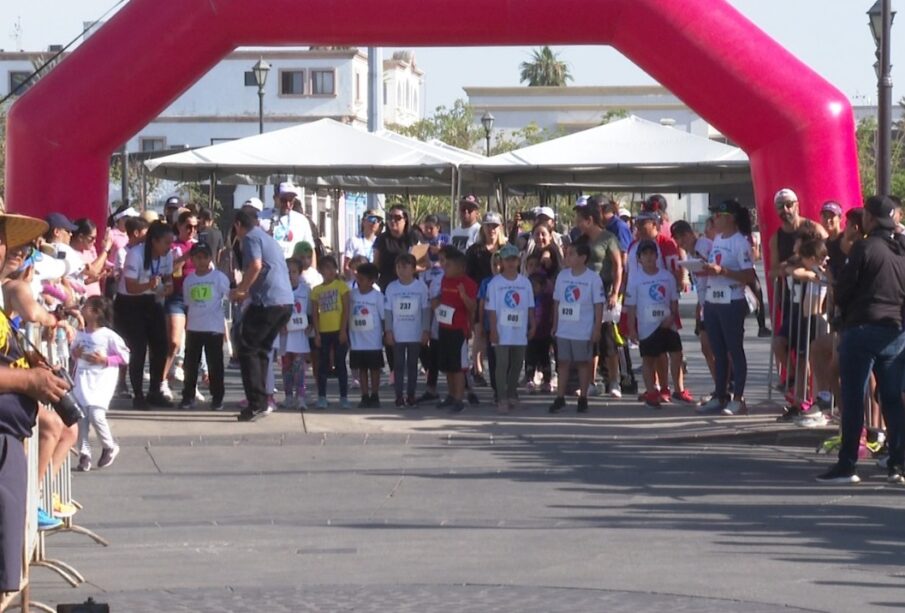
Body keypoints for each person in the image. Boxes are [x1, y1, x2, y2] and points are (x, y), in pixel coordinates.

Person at [0, 211, 74, 589]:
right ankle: (37, 498)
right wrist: (27, 379)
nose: (6, 250)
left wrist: (31, 365)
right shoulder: (15, 288)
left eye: (2, 239)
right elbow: (33, 312)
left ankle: (34, 498)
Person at [817, 196, 905, 484]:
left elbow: (844, 291)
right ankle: (897, 463)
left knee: (854, 397)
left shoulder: (865, 247)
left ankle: (848, 464)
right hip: (894, 330)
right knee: (892, 398)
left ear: (870, 218)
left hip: (862, 327)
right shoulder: (901, 249)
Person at [229, 208, 294, 421]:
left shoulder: (249, 238)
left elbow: (256, 265)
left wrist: (241, 290)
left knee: (247, 348)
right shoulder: (267, 238)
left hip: (269, 302)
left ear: (238, 225)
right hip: (284, 302)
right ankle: (264, 399)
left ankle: (255, 403)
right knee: (262, 349)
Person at [697, 199, 757, 416]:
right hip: (713, 300)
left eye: (718, 216)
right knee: (717, 351)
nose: (714, 220)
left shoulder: (740, 242)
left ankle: (739, 398)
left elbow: (749, 275)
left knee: (734, 349)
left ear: (730, 218)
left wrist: (723, 272)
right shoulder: (719, 238)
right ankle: (720, 394)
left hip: (732, 300)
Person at [625, 240, 690, 408]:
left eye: (652, 254)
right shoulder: (635, 280)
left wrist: (672, 317)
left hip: (667, 323)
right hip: (647, 326)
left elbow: (673, 301)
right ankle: (652, 392)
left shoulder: (666, 276)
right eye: (644, 254)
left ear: (657, 256)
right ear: (639, 259)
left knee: (676, 355)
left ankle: (679, 390)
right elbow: (631, 307)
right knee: (649, 360)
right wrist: (632, 329)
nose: (648, 257)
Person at [117, 221, 174, 408]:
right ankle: (138, 394)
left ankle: (155, 390)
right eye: (166, 243)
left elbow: (168, 278)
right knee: (138, 348)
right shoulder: (136, 254)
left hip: (152, 300)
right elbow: (131, 287)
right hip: (130, 304)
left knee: (161, 345)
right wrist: (149, 285)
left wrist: (167, 287)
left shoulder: (167, 256)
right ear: (154, 241)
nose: (169, 247)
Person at [71, 295, 128, 471]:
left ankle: (109, 446)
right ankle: (84, 454)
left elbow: (124, 357)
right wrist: (76, 353)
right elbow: (73, 353)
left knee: (96, 415)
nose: (82, 308)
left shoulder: (109, 336)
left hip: (101, 380)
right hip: (82, 379)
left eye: (86, 306)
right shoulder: (79, 333)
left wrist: (105, 359)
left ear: (96, 312)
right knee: (81, 418)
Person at [548, 242, 605, 414]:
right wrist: (555, 325)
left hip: (583, 329)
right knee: (563, 363)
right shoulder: (562, 276)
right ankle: (560, 397)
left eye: (572, 254)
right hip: (564, 329)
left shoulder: (593, 279)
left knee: (582, 363)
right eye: (567, 253)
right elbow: (557, 302)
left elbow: (598, 306)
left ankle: (583, 398)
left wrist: (596, 329)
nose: (568, 257)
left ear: (583, 258)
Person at [574, 202, 623, 398]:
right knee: (589, 339)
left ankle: (614, 381)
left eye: (579, 219)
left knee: (608, 338)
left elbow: (618, 266)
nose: (576, 223)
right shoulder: (581, 239)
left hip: (605, 291)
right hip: (585, 294)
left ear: (589, 220)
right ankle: (591, 382)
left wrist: (614, 293)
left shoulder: (608, 238)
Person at [486, 244, 536, 413]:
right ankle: (501, 397)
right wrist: (493, 330)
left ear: (518, 260)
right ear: (501, 261)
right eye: (507, 260)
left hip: (519, 330)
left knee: (517, 363)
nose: (511, 263)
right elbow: (491, 309)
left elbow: (530, 306)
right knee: (502, 363)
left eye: (513, 259)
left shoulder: (525, 282)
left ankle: (512, 393)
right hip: (502, 330)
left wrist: (533, 324)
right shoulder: (495, 283)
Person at [179, 242, 229, 411]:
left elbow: (228, 295)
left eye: (204, 257)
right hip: (194, 327)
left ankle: (217, 397)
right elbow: (187, 303)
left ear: (210, 258)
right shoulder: (189, 280)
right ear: (192, 259)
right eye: (197, 258)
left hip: (213, 327)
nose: (201, 261)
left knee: (215, 364)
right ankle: (188, 395)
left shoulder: (218, 277)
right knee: (190, 364)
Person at [671, 219, 716, 388]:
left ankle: (727, 384)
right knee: (706, 348)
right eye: (677, 238)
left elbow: (713, 266)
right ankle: (719, 385)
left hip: (717, 301)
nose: (681, 241)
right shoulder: (689, 254)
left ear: (690, 233)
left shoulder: (703, 245)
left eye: (683, 236)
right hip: (705, 303)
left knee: (717, 348)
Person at [433, 249, 477, 413]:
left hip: (459, 329)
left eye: (448, 265)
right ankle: (451, 395)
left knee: (458, 367)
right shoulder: (444, 280)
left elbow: (472, 307)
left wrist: (463, 295)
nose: (444, 267)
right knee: (448, 366)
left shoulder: (468, 283)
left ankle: (459, 398)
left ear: (460, 267)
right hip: (444, 327)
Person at [384, 254, 430, 407]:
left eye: (405, 266)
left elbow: (425, 310)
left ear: (413, 268)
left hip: (415, 333)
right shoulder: (391, 288)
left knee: (412, 365)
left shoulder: (421, 287)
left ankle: (411, 395)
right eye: (398, 267)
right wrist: (388, 331)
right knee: (398, 366)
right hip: (398, 334)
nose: (401, 270)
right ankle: (398, 396)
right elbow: (388, 312)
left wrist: (425, 330)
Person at [163, 210, 199, 400]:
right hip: (176, 296)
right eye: (188, 227)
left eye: (195, 227)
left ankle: (190, 384)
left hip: (196, 298)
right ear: (180, 226)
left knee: (193, 344)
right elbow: (167, 269)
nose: (192, 231)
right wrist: (185, 258)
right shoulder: (173, 246)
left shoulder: (199, 245)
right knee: (174, 341)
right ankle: (162, 381)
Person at [310, 255, 351, 410]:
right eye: (326, 268)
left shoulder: (342, 286)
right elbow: (315, 313)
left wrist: (343, 330)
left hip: (338, 330)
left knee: (340, 363)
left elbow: (346, 309)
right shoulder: (316, 290)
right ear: (320, 271)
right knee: (323, 365)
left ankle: (344, 396)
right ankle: (322, 396)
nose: (330, 271)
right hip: (324, 331)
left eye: (332, 268)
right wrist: (317, 333)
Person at [346, 262, 385, 409]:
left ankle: (375, 395)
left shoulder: (378, 297)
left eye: (362, 279)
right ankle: (364, 395)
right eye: (358, 279)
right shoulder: (352, 295)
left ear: (371, 281)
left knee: (374, 369)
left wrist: (386, 333)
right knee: (361, 369)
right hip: (357, 341)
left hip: (373, 340)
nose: (359, 282)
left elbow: (383, 317)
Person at [279, 258, 312, 411]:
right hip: (285, 337)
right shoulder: (279, 290)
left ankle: (301, 396)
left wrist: (311, 325)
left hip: (300, 336)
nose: (290, 275)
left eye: (293, 272)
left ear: (299, 273)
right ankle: (288, 396)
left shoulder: (305, 291)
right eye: (287, 272)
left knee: (299, 368)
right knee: (286, 368)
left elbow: (310, 312)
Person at [270, 182, 315, 260]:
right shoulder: (262, 218)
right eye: (284, 200)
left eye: (291, 200)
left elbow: (310, 248)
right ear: (275, 198)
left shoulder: (302, 220)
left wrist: (312, 271)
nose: (288, 205)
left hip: (294, 269)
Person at [71, 218, 113, 298]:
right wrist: (106, 249)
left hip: (95, 298)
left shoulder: (90, 249)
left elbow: (94, 272)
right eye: (91, 238)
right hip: (82, 300)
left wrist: (104, 270)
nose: (94, 241)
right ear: (80, 237)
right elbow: (93, 270)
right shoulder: (71, 253)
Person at [343, 209, 383, 276]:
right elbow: (346, 267)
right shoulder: (354, 241)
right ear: (363, 221)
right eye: (371, 219)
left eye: (378, 221)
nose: (374, 223)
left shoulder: (380, 242)